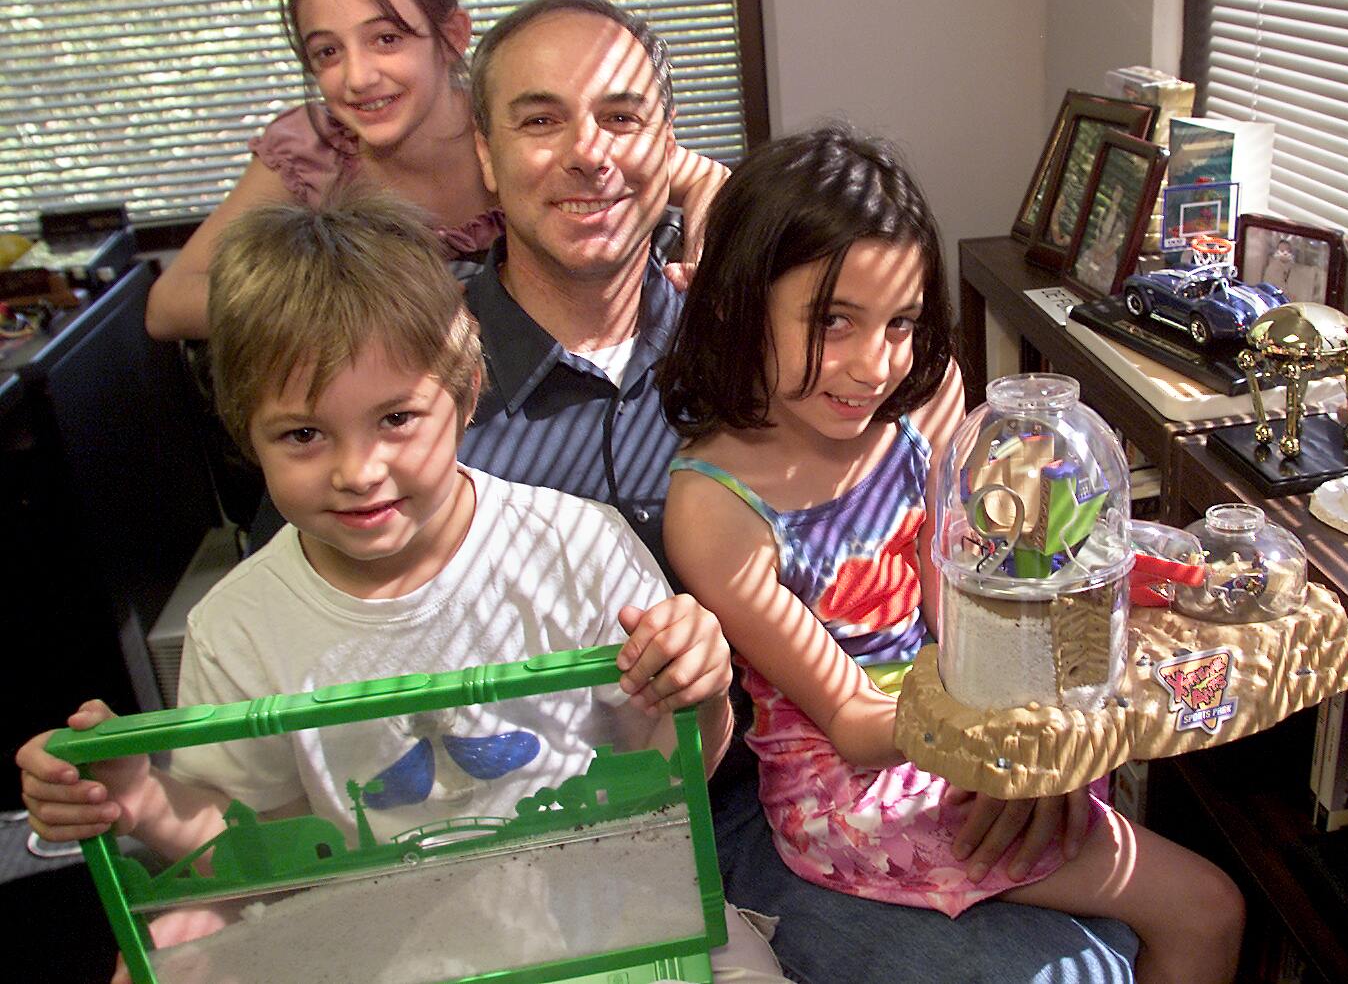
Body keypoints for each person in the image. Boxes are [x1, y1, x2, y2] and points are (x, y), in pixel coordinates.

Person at [459, 0, 1147, 982]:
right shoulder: (422, 395)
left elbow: (968, 570)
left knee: (1115, 941)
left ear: (666, 146)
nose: (588, 153)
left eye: (621, 118)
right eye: (539, 119)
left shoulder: (769, 326)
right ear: (483, 153)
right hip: (629, 824)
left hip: (855, 763)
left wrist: (1035, 748)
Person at [18, 189, 785, 982]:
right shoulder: (237, 625)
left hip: (604, 912)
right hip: (387, 950)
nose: (358, 472)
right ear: (246, 434)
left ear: (463, 394)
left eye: (395, 420)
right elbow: (262, 854)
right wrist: (141, 798)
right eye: (304, 434)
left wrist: (699, 693)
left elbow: (667, 776)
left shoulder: (579, 545)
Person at [658, 124, 1246, 984]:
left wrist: (1046, 730)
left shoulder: (924, 397)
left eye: (899, 323)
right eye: (832, 321)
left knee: (1202, 904)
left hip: (965, 727)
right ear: (739, 303)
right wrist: (1017, 732)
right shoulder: (713, 508)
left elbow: (961, 602)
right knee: (1206, 908)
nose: (873, 366)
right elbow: (853, 724)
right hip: (855, 792)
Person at [144, 0, 725, 342]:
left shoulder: (523, 129)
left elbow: (702, 177)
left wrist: (701, 253)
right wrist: (360, 302)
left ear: (451, 36)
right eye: (327, 52)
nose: (358, 77)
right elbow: (169, 304)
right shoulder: (311, 152)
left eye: (386, 39)